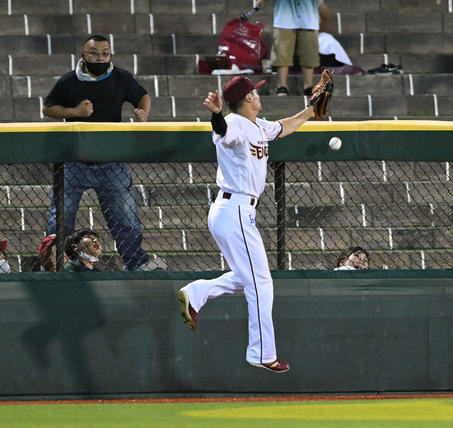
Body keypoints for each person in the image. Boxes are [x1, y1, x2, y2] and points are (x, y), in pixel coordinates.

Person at [177, 75, 318, 373]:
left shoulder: (257, 125)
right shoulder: (234, 124)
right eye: (254, 90)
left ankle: (197, 293)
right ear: (248, 98)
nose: (258, 92)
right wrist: (216, 115)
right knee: (261, 282)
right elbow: (223, 132)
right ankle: (262, 353)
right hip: (235, 209)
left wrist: (310, 111)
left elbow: (282, 128)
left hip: (235, 212)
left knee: (249, 279)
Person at [42, 34, 153, 271]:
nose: (100, 58)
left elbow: (143, 96)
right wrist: (74, 112)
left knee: (127, 218)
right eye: (94, 53)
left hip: (111, 162)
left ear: (110, 55)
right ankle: (56, 265)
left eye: (104, 53)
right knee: (59, 220)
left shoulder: (121, 78)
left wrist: (143, 113)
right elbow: (48, 108)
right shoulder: (69, 81)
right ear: (84, 56)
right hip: (72, 161)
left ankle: (136, 263)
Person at [262, 0, 330, 96]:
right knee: (282, 52)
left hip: (308, 16)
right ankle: (282, 86)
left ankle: (308, 87)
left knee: (309, 53)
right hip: (284, 15)